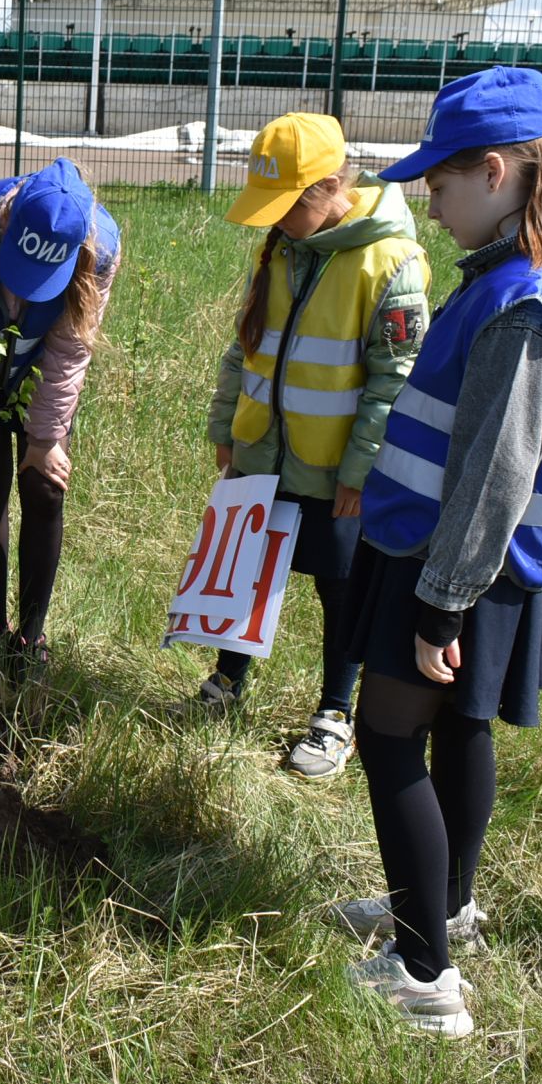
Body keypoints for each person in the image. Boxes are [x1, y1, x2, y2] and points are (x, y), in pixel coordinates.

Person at [328, 66, 542, 1037]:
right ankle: (442, 904)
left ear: (496, 172)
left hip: (450, 565)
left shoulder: (523, 302)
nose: (433, 200)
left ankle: (424, 976)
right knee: (461, 728)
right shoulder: (516, 278)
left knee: (387, 737)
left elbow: (496, 474)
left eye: (442, 183)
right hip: (467, 565)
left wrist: (438, 604)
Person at [185, 113, 430, 783]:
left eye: (289, 204)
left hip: (336, 471)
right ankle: (229, 678)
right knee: (249, 567)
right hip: (263, 450)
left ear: (329, 188)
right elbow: (245, 343)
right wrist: (226, 427)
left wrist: (361, 471)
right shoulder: (281, 248)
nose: (279, 218)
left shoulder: (391, 263)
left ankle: (334, 712)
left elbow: (394, 380)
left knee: (340, 588)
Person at [0, 157, 120, 677]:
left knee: (44, 485)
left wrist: (45, 438)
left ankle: (30, 637)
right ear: (8, 225)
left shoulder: (99, 251)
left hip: (42, 375)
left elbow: (70, 351)